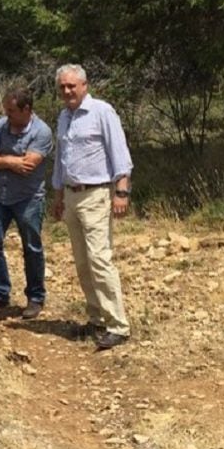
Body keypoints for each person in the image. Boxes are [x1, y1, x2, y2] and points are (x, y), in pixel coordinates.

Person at [51, 64, 133, 351]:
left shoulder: (102, 111)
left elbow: (119, 153)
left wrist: (121, 191)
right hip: (72, 196)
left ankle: (118, 325)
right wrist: (58, 196)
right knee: (82, 261)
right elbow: (61, 159)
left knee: (100, 259)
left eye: (72, 86)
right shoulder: (64, 117)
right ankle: (96, 317)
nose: (67, 91)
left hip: (97, 194)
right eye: (62, 86)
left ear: (84, 85)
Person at [0, 87, 53, 319]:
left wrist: (1, 159)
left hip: (28, 198)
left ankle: (35, 297)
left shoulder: (41, 131)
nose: (8, 115)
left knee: (32, 247)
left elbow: (29, 165)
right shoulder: (0, 125)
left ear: (27, 109)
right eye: (6, 110)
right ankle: (0, 293)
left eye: (12, 111)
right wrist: (9, 160)